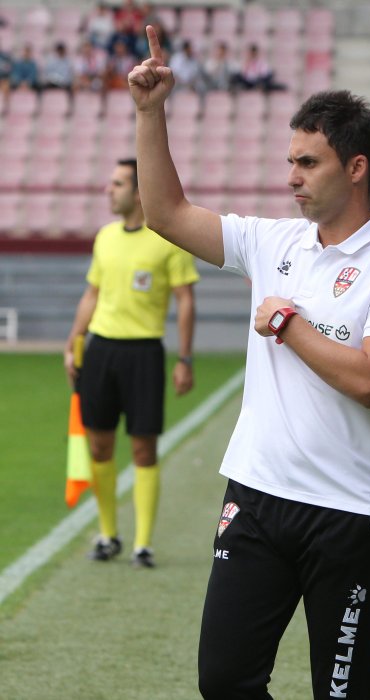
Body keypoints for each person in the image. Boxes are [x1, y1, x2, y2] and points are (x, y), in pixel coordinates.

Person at [128, 26, 370, 697]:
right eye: (291, 160)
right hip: (257, 499)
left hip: (348, 514)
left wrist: (288, 325)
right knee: (225, 680)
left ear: (356, 168)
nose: (290, 176)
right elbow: (166, 212)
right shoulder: (275, 241)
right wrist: (150, 112)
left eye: (308, 163)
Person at [64, 157, 199, 569]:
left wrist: (185, 358)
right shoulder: (104, 237)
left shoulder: (166, 240)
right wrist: (74, 341)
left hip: (144, 354)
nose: (110, 190)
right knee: (99, 444)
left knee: (143, 448)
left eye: (118, 183)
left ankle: (143, 543)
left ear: (139, 192)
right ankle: (108, 535)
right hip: (101, 350)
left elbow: (185, 299)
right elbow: (92, 293)